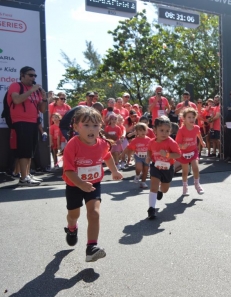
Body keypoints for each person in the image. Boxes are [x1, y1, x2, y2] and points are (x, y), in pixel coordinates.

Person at [62, 107, 123, 262]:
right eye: (87, 125)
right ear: (76, 127)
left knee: (94, 214)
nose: (91, 129)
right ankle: (71, 228)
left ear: (100, 127)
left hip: (94, 184)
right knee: (73, 215)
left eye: (95, 126)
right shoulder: (72, 145)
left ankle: (91, 248)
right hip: (75, 185)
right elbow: (68, 171)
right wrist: (81, 183)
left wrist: (114, 171)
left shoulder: (102, 144)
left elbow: (107, 156)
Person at [7, 66, 48, 186]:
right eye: (30, 75)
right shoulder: (16, 86)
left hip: (33, 122)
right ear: (22, 75)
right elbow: (16, 100)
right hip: (20, 122)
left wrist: (44, 99)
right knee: (24, 151)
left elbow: (42, 109)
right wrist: (31, 90)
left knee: (30, 151)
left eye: (35, 75)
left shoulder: (36, 91)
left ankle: (27, 174)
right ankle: (23, 178)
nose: (33, 78)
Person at [145, 116, 181, 219]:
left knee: (165, 190)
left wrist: (167, 155)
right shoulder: (152, 142)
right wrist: (148, 157)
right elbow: (149, 150)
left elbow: (178, 154)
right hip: (156, 167)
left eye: (167, 131)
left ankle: (160, 190)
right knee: (153, 186)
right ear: (154, 130)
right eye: (161, 130)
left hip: (168, 168)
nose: (164, 133)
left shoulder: (171, 142)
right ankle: (151, 208)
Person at [175, 107, 206, 195]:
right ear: (184, 118)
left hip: (193, 151)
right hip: (184, 153)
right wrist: (182, 146)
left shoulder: (196, 127)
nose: (192, 119)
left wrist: (201, 141)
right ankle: (185, 187)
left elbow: (198, 134)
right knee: (185, 171)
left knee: (195, 168)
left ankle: (197, 184)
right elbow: (177, 143)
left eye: (193, 117)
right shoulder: (181, 130)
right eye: (189, 117)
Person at [122, 123, 152, 188]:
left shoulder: (149, 140)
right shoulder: (135, 140)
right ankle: (137, 175)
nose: (143, 132)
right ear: (137, 132)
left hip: (146, 157)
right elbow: (128, 147)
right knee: (139, 167)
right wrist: (123, 154)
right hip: (138, 156)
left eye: (144, 130)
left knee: (145, 170)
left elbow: (153, 148)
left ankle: (143, 182)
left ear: (147, 131)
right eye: (140, 130)